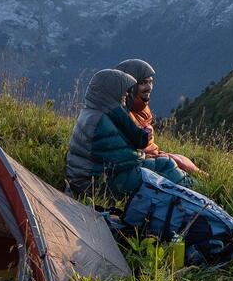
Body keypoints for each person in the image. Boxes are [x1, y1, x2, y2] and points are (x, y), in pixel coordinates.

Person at [65, 69, 191, 198]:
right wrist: (144, 156)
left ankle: (187, 191)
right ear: (112, 91)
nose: (126, 93)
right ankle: (192, 191)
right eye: (123, 90)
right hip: (96, 186)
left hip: (86, 179)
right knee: (164, 165)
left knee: (160, 165)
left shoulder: (93, 113)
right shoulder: (101, 120)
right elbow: (122, 159)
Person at [114, 58, 204, 177]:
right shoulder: (119, 113)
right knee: (175, 163)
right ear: (128, 86)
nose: (149, 87)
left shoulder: (141, 109)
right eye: (143, 83)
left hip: (151, 155)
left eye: (150, 82)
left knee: (181, 160)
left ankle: (207, 181)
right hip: (139, 163)